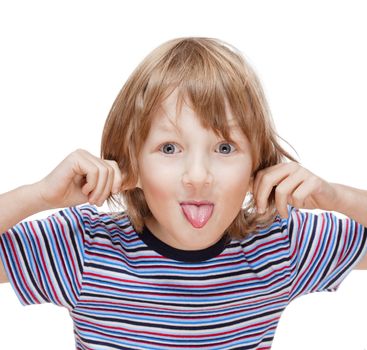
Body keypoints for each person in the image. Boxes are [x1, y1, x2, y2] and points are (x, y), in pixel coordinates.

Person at [1, 37, 367, 350]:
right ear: (131, 165)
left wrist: (335, 197)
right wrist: (39, 195)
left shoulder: (279, 246)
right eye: (170, 148)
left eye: (224, 148)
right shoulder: (84, 250)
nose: (197, 176)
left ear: (259, 166)